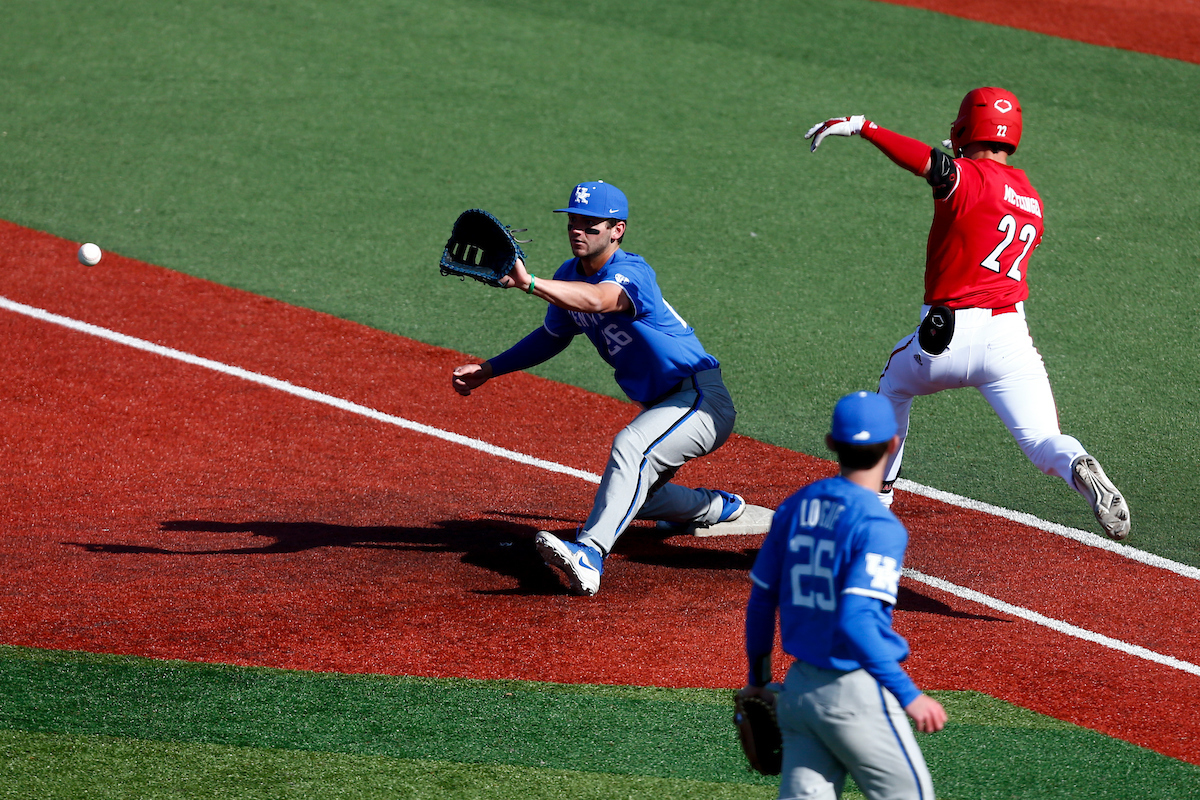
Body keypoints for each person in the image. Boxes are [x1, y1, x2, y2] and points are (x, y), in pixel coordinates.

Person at [804, 88, 1131, 540]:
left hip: (948, 333)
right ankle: (1077, 464)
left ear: (964, 128)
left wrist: (865, 127)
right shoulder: (1030, 196)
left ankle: (877, 499)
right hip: (1010, 339)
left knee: (893, 388)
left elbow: (932, 165)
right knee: (1042, 441)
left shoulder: (968, 177)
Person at [451, 180, 745, 596]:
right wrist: (490, 368)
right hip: (661, 406)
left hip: (700, 400)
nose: (578, 230)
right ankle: (713, 507)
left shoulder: (632, 272)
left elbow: (599, 301)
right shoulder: (569, 275)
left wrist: (529, 284)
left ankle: (589, 554)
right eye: (574, 221)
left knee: (631, 447)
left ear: (616, 230)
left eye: (591, 224)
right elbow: (552, 335)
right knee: (634, 494)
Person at [741, 390, 946, 800]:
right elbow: (855, 619)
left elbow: (762, 599)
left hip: (800, 692)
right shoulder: (879, 525)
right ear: (893, 445)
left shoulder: (796, 506)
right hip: (857, 696)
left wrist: (760, 682)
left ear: (832, 443)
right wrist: (910, 695)